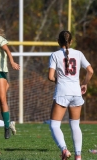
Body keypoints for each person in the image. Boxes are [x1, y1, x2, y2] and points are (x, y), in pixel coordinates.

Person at [48, 30, 93, 160]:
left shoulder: (55, 55)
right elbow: (90, 71)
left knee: (55, 125)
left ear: (58, 41)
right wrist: (84, 84)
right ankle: (78, 155)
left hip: (62, 93)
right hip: (76, 93)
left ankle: (64, 150)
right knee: (75, 125)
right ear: (71, 41)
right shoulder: (78, 54)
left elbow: (50, 77)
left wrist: (59, 80)